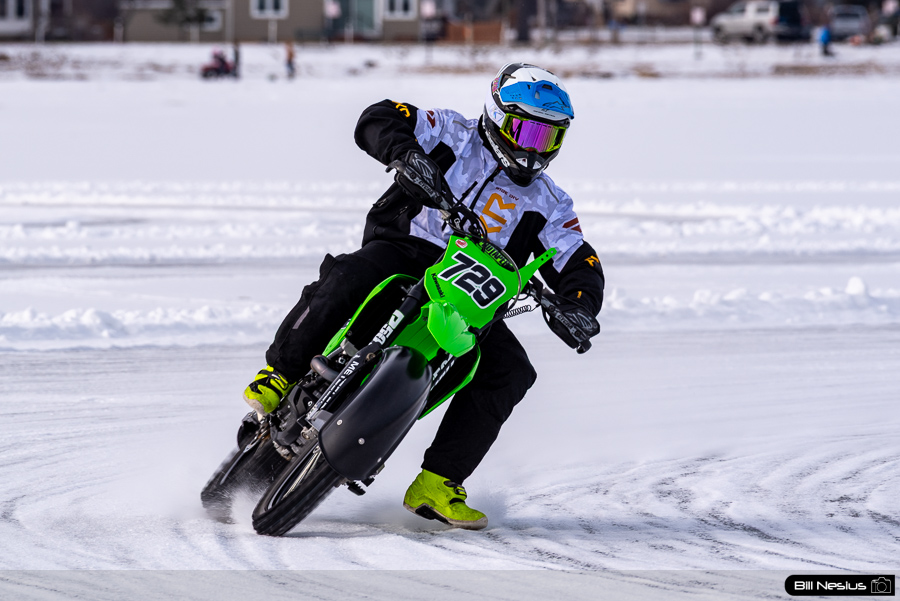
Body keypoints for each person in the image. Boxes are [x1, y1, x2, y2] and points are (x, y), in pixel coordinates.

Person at [242, 63, 605, 530]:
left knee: (512, 370)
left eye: (549, 138)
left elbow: (581, 261)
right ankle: (279, 374)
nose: (535, 150)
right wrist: (405, 155)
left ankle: (438, 483)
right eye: (526, 132)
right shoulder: (451, 133)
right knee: (352, 274)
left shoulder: (551, 202)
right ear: (496, 115)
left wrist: (578, 305)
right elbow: (378, 117)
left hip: (469, 299)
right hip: (405, 251)